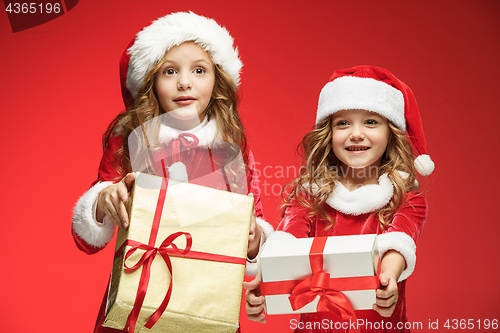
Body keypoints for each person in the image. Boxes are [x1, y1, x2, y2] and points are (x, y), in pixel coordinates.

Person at [71, 12, 274, 332]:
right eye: (169, 71)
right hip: (139, 303)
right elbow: (88, 240)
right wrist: (103, 200)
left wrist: (254, 238)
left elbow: (255, 221)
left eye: (198, 69)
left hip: (208, 306)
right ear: (150, 81)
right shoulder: (130, 142)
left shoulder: (233, 148)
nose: (184, 81)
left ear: (216, 79)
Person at [243, 65, 434, 332]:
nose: (356, 133)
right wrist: (265, 281)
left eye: (371, 121)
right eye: (343, 123)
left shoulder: (406, 198)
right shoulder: (310, 196)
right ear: (329, 133)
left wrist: (388, 277)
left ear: (391, 132)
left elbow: (398, 243)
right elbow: (287, 242)